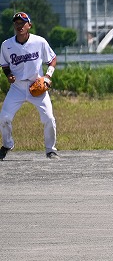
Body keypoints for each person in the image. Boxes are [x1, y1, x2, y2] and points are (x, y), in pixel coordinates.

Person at [0, 12, 59, 160]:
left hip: (37, 86)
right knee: (4, 118)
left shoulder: (39, 42)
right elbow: (5, 64)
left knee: (49, 118)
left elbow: (52, 59)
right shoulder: (7, 45)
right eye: (17, 23)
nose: (19, 26)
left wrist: (48, 76)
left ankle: (50, 150)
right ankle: (7, 145)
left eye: (22, 23)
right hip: (17, 87)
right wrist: (8, 75)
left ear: (29, 25)